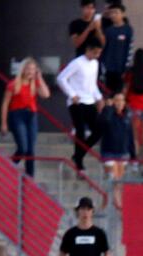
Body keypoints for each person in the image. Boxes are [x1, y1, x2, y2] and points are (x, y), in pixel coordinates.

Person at [56, 38, 104, 173]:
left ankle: (78, 155)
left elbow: (92, 83)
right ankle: (79, 161)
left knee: (98, 130)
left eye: (99, 53)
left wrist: (99, 98)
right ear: (88, 50)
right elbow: (61, 78)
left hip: (89, 101)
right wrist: (72, 94)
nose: (97, 56)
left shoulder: (95, 63)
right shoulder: (77, 63)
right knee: (80, 131)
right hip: (76, 102)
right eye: (95, 53)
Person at [0, 57, 50, 178]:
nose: (30, 72)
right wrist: (3, 123)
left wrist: (39, 77)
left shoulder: (34, 84)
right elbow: (5, 103)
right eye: (28, 69)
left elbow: (46, 94)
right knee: (23, 147)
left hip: (31, 115)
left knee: (30, 150)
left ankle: (30, 177)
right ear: (23, 70)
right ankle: (9, 166)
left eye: (33, 69)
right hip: (17, 115)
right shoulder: (13, 84)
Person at [99, 91, 134, 208]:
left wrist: (132, 153)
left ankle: (112, 201)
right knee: (113, 177)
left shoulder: (127, 116)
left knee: (119, 180)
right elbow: (105, 122)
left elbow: (130, 135)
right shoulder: (108, 112)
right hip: (109, 151)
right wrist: (108, 108)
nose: (119, 103)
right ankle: (117, 203)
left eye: (121, 100)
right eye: (117, 100)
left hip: (122, 152)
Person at [100, 2, 133, 95]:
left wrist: (126, 68)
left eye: (116, 12)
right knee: (108, 95)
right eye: (111, 13)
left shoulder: (128, 29)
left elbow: (130, 49)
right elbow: (103, 50)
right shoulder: (108, 30)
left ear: (123, 14)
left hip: (121, 69)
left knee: (119, 95)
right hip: (108, 69)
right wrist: (103, 68)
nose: (113, 15)